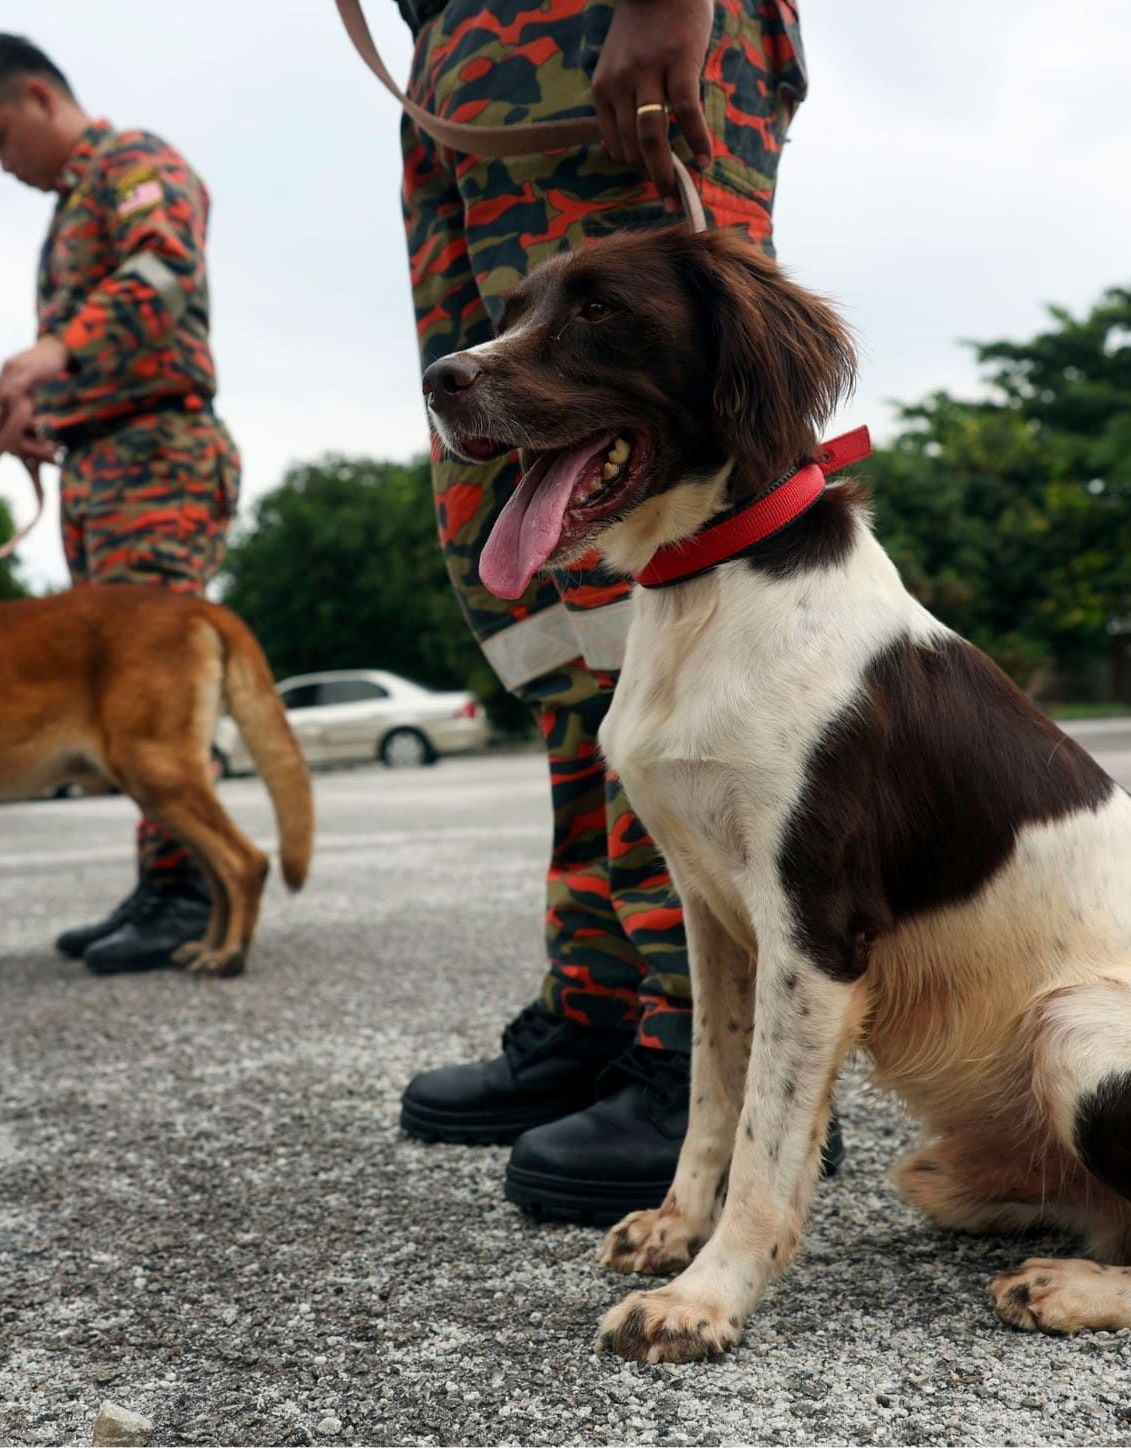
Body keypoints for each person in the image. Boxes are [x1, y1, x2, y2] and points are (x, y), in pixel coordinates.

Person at [389, 0, 842, 1223]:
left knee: (655, 515)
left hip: (590, 28)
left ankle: (712, 1052)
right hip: (460, 54)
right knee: (541, 592)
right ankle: (601, 995)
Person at [0, 34, 240, 974]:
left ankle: (192, 887)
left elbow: (163, 273)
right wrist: (47, 414)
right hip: (105, 463)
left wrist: (52, 354)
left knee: (146, 685)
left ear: (38, 97)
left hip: (158, 453)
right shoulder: (74, 202)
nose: (1, 164)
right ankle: (164, 881)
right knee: (119, 693)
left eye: (0, 138)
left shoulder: (134, 164)